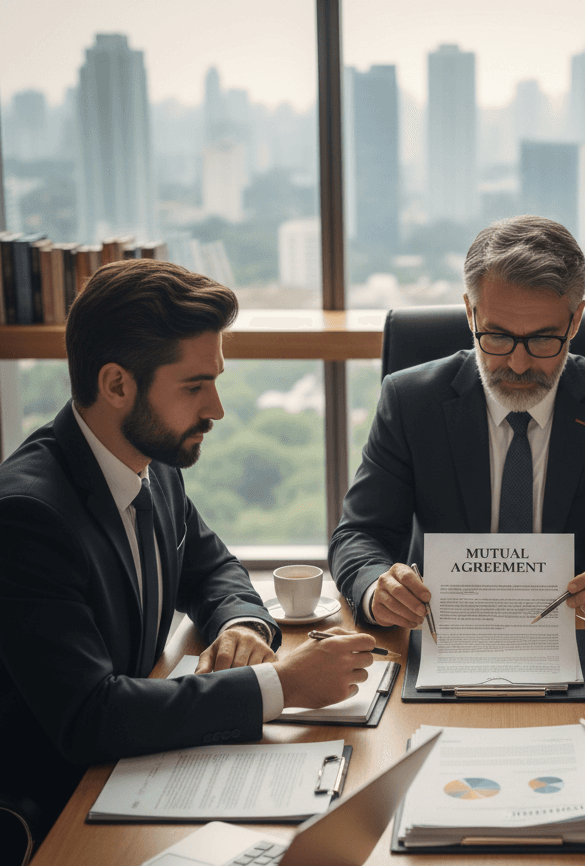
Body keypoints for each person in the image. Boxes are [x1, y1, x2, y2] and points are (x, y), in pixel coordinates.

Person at [0, 260, 376, 836]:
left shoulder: (150, 462)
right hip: (58, 815)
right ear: (117, 384)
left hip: (138, 771)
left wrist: (243, 626)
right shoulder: (29, 518)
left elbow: (211, 569)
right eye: (195, 386)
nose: (217, 409)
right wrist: (281, 685)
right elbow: (88, 716)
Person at [330, 215, 585, 631]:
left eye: (543, 339)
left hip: (579, 632)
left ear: (575, 321)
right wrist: (376, 591)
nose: (519, 364)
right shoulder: (411, 400)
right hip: (442, 631)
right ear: (470, 314)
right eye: (498, 337)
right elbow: (358, 535)